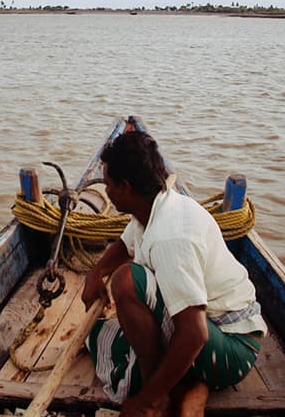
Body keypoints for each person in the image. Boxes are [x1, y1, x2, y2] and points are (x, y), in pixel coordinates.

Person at [82, 130, 267, 416]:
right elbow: (124, 244)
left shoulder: (171, 235)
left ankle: (164, 398)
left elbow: (194, 334)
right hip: (212, 334)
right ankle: (190, 387)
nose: (106, 190)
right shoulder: (153, 208)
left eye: (108, 184)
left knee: (127, 281)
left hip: (231, 348)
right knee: (98, 336)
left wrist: (145, 400)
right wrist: (95, 273)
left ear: (126, 187)